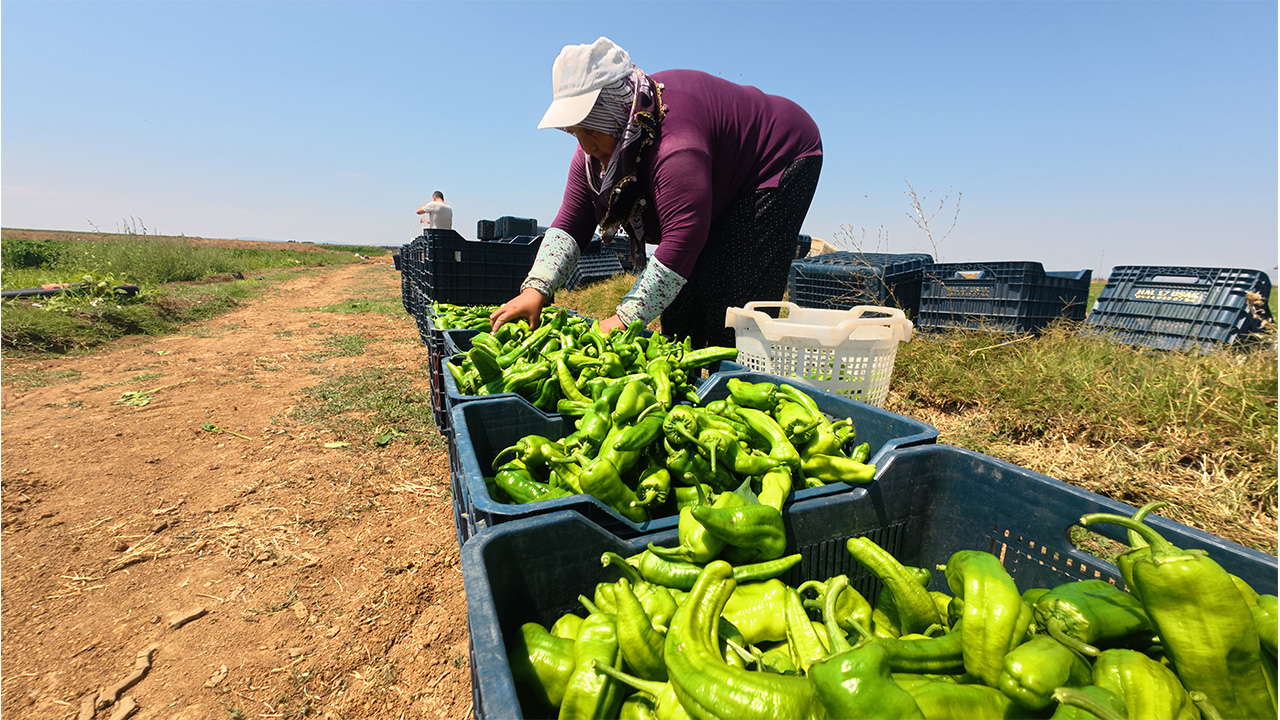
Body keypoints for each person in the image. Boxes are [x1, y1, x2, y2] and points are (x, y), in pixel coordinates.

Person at [490, 36, 822, 348]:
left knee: (731, 302)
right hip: (722, 172)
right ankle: (692, 387)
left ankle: (734, 386)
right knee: (680, 309)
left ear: (615, 112)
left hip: (776, 156)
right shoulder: (596, 155)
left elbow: (683, 238)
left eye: (591, 129)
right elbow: (571, 223)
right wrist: (536, 288)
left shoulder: (676, 147)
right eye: (575, 132)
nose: (585, 145)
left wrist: (625, 318)